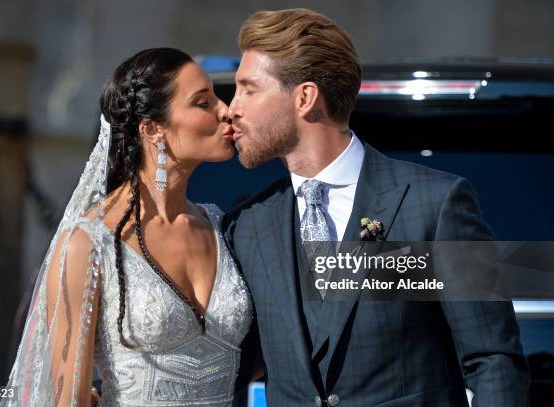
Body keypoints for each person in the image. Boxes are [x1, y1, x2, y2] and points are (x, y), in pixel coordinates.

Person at [223, 9, 530, 406]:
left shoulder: (435, 205)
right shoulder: (246, 226)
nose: (232, 108)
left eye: (249, 89)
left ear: (304, 97)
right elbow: (228, 375)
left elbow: (494, 359)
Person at [4, 48, 253, 406]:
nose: (225, 109)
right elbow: (66, 397)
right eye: (203, 102)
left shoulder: (221, 227)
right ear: (153, 129)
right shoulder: (90, 243)